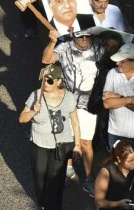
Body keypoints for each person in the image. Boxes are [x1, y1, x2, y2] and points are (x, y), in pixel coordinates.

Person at [19, 63, 80, 210]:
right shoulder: (35, 95)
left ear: (59, 81)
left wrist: (78, 145)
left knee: (56, 180)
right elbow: (22, 118)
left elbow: (75, 122)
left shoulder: (69, 97)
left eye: (51, 81)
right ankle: (44, 202)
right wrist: (33, 111)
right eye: (45, 79)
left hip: (61, 145)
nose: (46, 83)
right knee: (39, 178)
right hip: (39, 144)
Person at [42, 29, 102, 195]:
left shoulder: (98, 48)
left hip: (89, 104)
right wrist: (52, 41)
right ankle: (68, 169)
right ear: (72, 35)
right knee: (67, 138)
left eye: (87, 36)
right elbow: (46, 59)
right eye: (80, 36)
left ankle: (89, 178)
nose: (84, 39)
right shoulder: (64, 47)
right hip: (67, 102)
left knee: (86, 143)